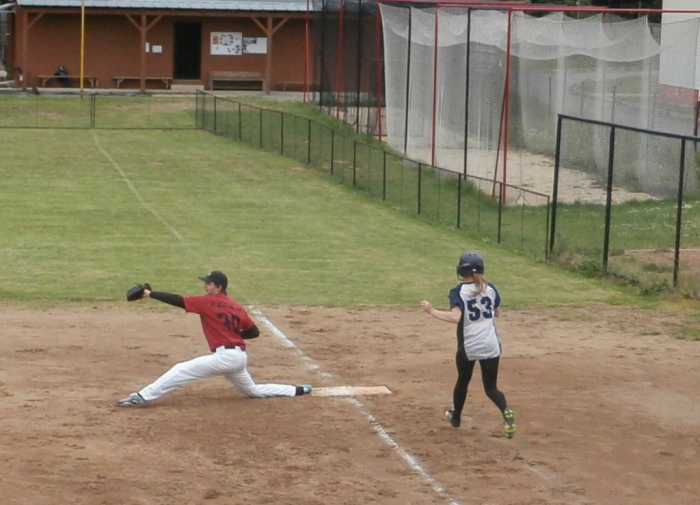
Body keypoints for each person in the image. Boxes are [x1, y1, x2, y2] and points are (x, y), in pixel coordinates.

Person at [117, 270, 312, 407]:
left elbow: (177, 300)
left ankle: (141, 396)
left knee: (181, 369)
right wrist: (236, 335)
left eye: (208, 283)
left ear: (218, 287)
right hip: (239, 358)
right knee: (253, 390)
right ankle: (298, 390)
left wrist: (149, 293)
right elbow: (254, 332)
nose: (205, 285)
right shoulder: (236, 306)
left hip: (225, 358)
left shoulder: (207, 302)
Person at [420, 252, 516, 438]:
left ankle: (456, 417)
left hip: (470, 346)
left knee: (463, 381)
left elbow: (455, 317)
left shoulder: (458, 292)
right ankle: (505, 411)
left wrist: (432, 311)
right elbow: (497, 313)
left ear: (462, 270)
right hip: (491, 345)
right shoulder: (490, 288)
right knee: (491, 388)